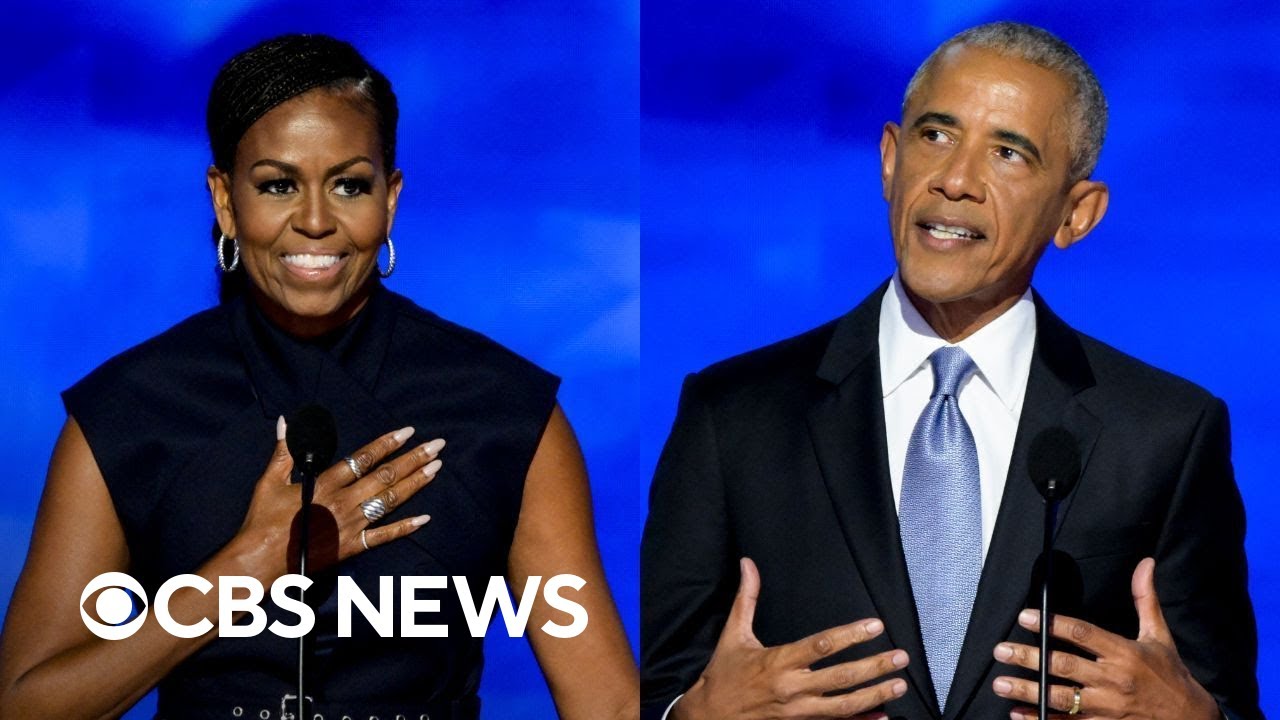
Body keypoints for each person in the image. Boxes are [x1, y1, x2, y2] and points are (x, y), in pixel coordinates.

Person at [0, 34, 638, 720]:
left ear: (390, 199)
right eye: (277, 185)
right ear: (223, 199)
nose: (313, 221)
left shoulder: (506, 412)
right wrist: (241, 571)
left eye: (349, 185)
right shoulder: (130, 409)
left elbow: (606, 704)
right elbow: (26, 706)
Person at [641, 22, 1260, 720]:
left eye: (1008, 153)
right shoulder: (733, 416)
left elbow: (1224, 699)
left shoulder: (1165, 434)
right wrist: (692, 716)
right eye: (936, 136)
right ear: (888, 159)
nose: (956, 181)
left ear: (1076, 214)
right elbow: (655, 692)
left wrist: (1194, 718)